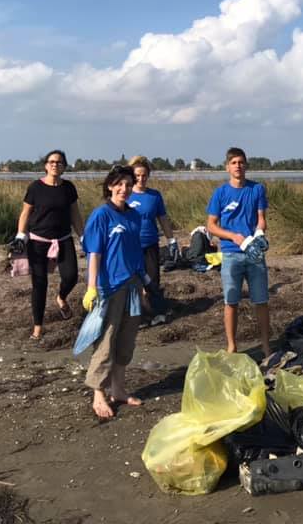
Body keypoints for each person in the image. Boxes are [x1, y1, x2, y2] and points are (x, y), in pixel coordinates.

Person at [81, 165, 147, 419]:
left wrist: (143, 282)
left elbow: (135, 252)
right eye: (119, 184)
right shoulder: (101, 215)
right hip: (108, 288)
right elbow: (94, 253)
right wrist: (91, 288)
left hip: (132, 285)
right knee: (106, 340)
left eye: (128, 184)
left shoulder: (134, 215)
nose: (124, 189)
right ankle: (98, 393)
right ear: (110, 186)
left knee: (126, 340)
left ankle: (118, 389)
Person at [12, 149, 84, 340]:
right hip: (38, 241)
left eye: (59, 162)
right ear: (45, 165)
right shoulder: (35, 187)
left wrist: (83, 236)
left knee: (71, 276)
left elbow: (75, 214)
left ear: (64, 167)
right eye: (51, 162)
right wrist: (20, 236)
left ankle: (61, 297)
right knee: (39, 284)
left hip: (64, 239)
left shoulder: (69, 188)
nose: (55, 165)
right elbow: (25, 213)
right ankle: (38, 327)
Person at [206, 147, 271, 356]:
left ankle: (266, 345)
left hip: (253, 252)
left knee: (261, 300)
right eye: (233, 163)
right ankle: (232, 346)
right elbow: (211, 226)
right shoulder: (220, 193)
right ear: (227, 167)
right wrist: (233, 236)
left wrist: (259, 233)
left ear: (246, 165)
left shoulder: (257, 189)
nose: (238, 166)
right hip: (230, 253)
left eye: (241, 162)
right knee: (231, 301)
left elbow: (261, 218)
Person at [127, 155, 179, 327]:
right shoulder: (125, 194)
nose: (141, 178)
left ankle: (156, 312)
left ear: (148, 175)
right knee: (134, 282)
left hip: (150, 244)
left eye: (144, 175)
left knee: (153, 281)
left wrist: (171, 240)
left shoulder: (154, 196)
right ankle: (139, 316)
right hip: (130, 246)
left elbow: (163, 219)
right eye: (137, 175)